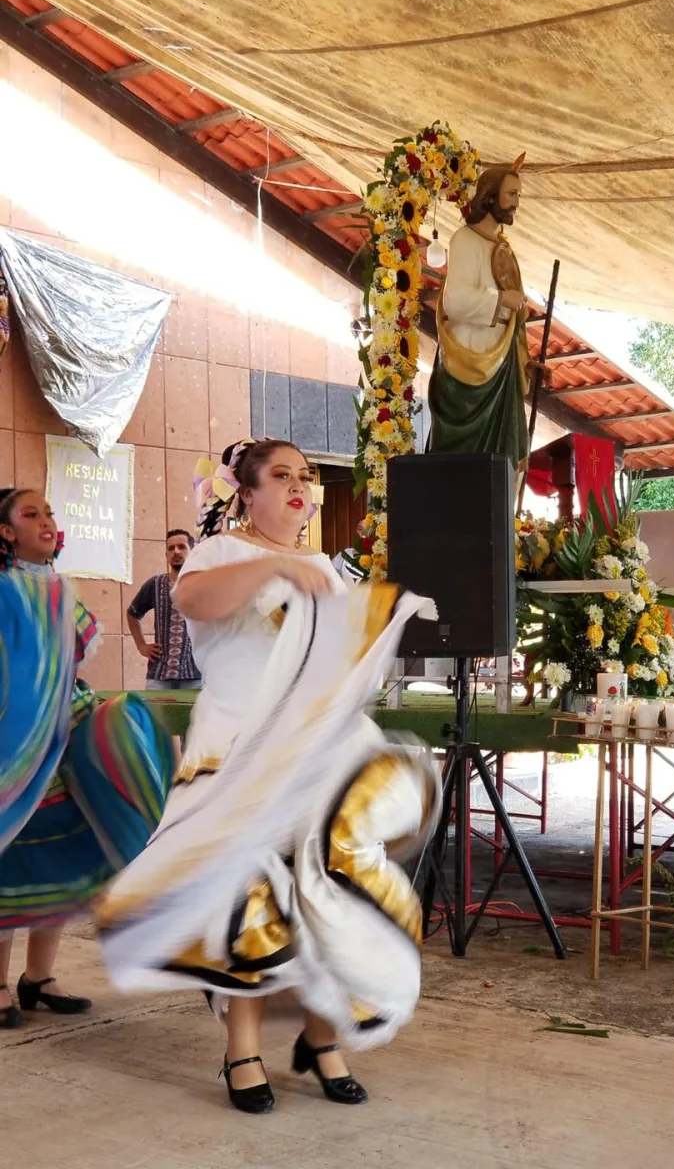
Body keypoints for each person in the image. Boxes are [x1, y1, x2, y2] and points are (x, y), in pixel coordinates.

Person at [93, 438, 439, 1115]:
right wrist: (277, 566)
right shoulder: (221, 552)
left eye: (304, 476)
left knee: (338, 886)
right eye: (281, 475)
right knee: (250, 892)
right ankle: (241, 1048)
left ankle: (321, 1036)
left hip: (316, 747)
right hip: (239, 744)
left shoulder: (320, 565)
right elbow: (193, 600)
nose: (299, 486)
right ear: (244, 493)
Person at [0, 487, 173, 1028]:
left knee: (64, 858)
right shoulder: (3, 591)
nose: (47, 520)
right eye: (32, 514)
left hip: (64, 740)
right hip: (15, 744)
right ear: (6, 532)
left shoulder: (57, 590)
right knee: (13, 860)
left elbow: (69, 667)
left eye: (49, 511)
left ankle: (38, 979)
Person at [428, 153, 530, 466]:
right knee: (465, 466)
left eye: (518, 196)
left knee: (502, 463)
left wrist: (528, 363)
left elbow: (515, 317)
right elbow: (454, 301)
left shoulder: (502, 247)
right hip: (471, 364)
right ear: (489, 197)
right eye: (511, 194)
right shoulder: (465, 240)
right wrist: (500, 299)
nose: (515, 203)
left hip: (503, 364)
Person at [127, 529, 201, 690]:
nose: (176, 552)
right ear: (166, 555)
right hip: (159, 676)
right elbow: (133, 613)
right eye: (171, 548)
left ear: (192, 552)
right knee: (156, 716)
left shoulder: (204, 584)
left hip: (196, 676)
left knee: (192, 716)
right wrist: (141, 646)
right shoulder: (155, 584)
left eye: (181, 547)